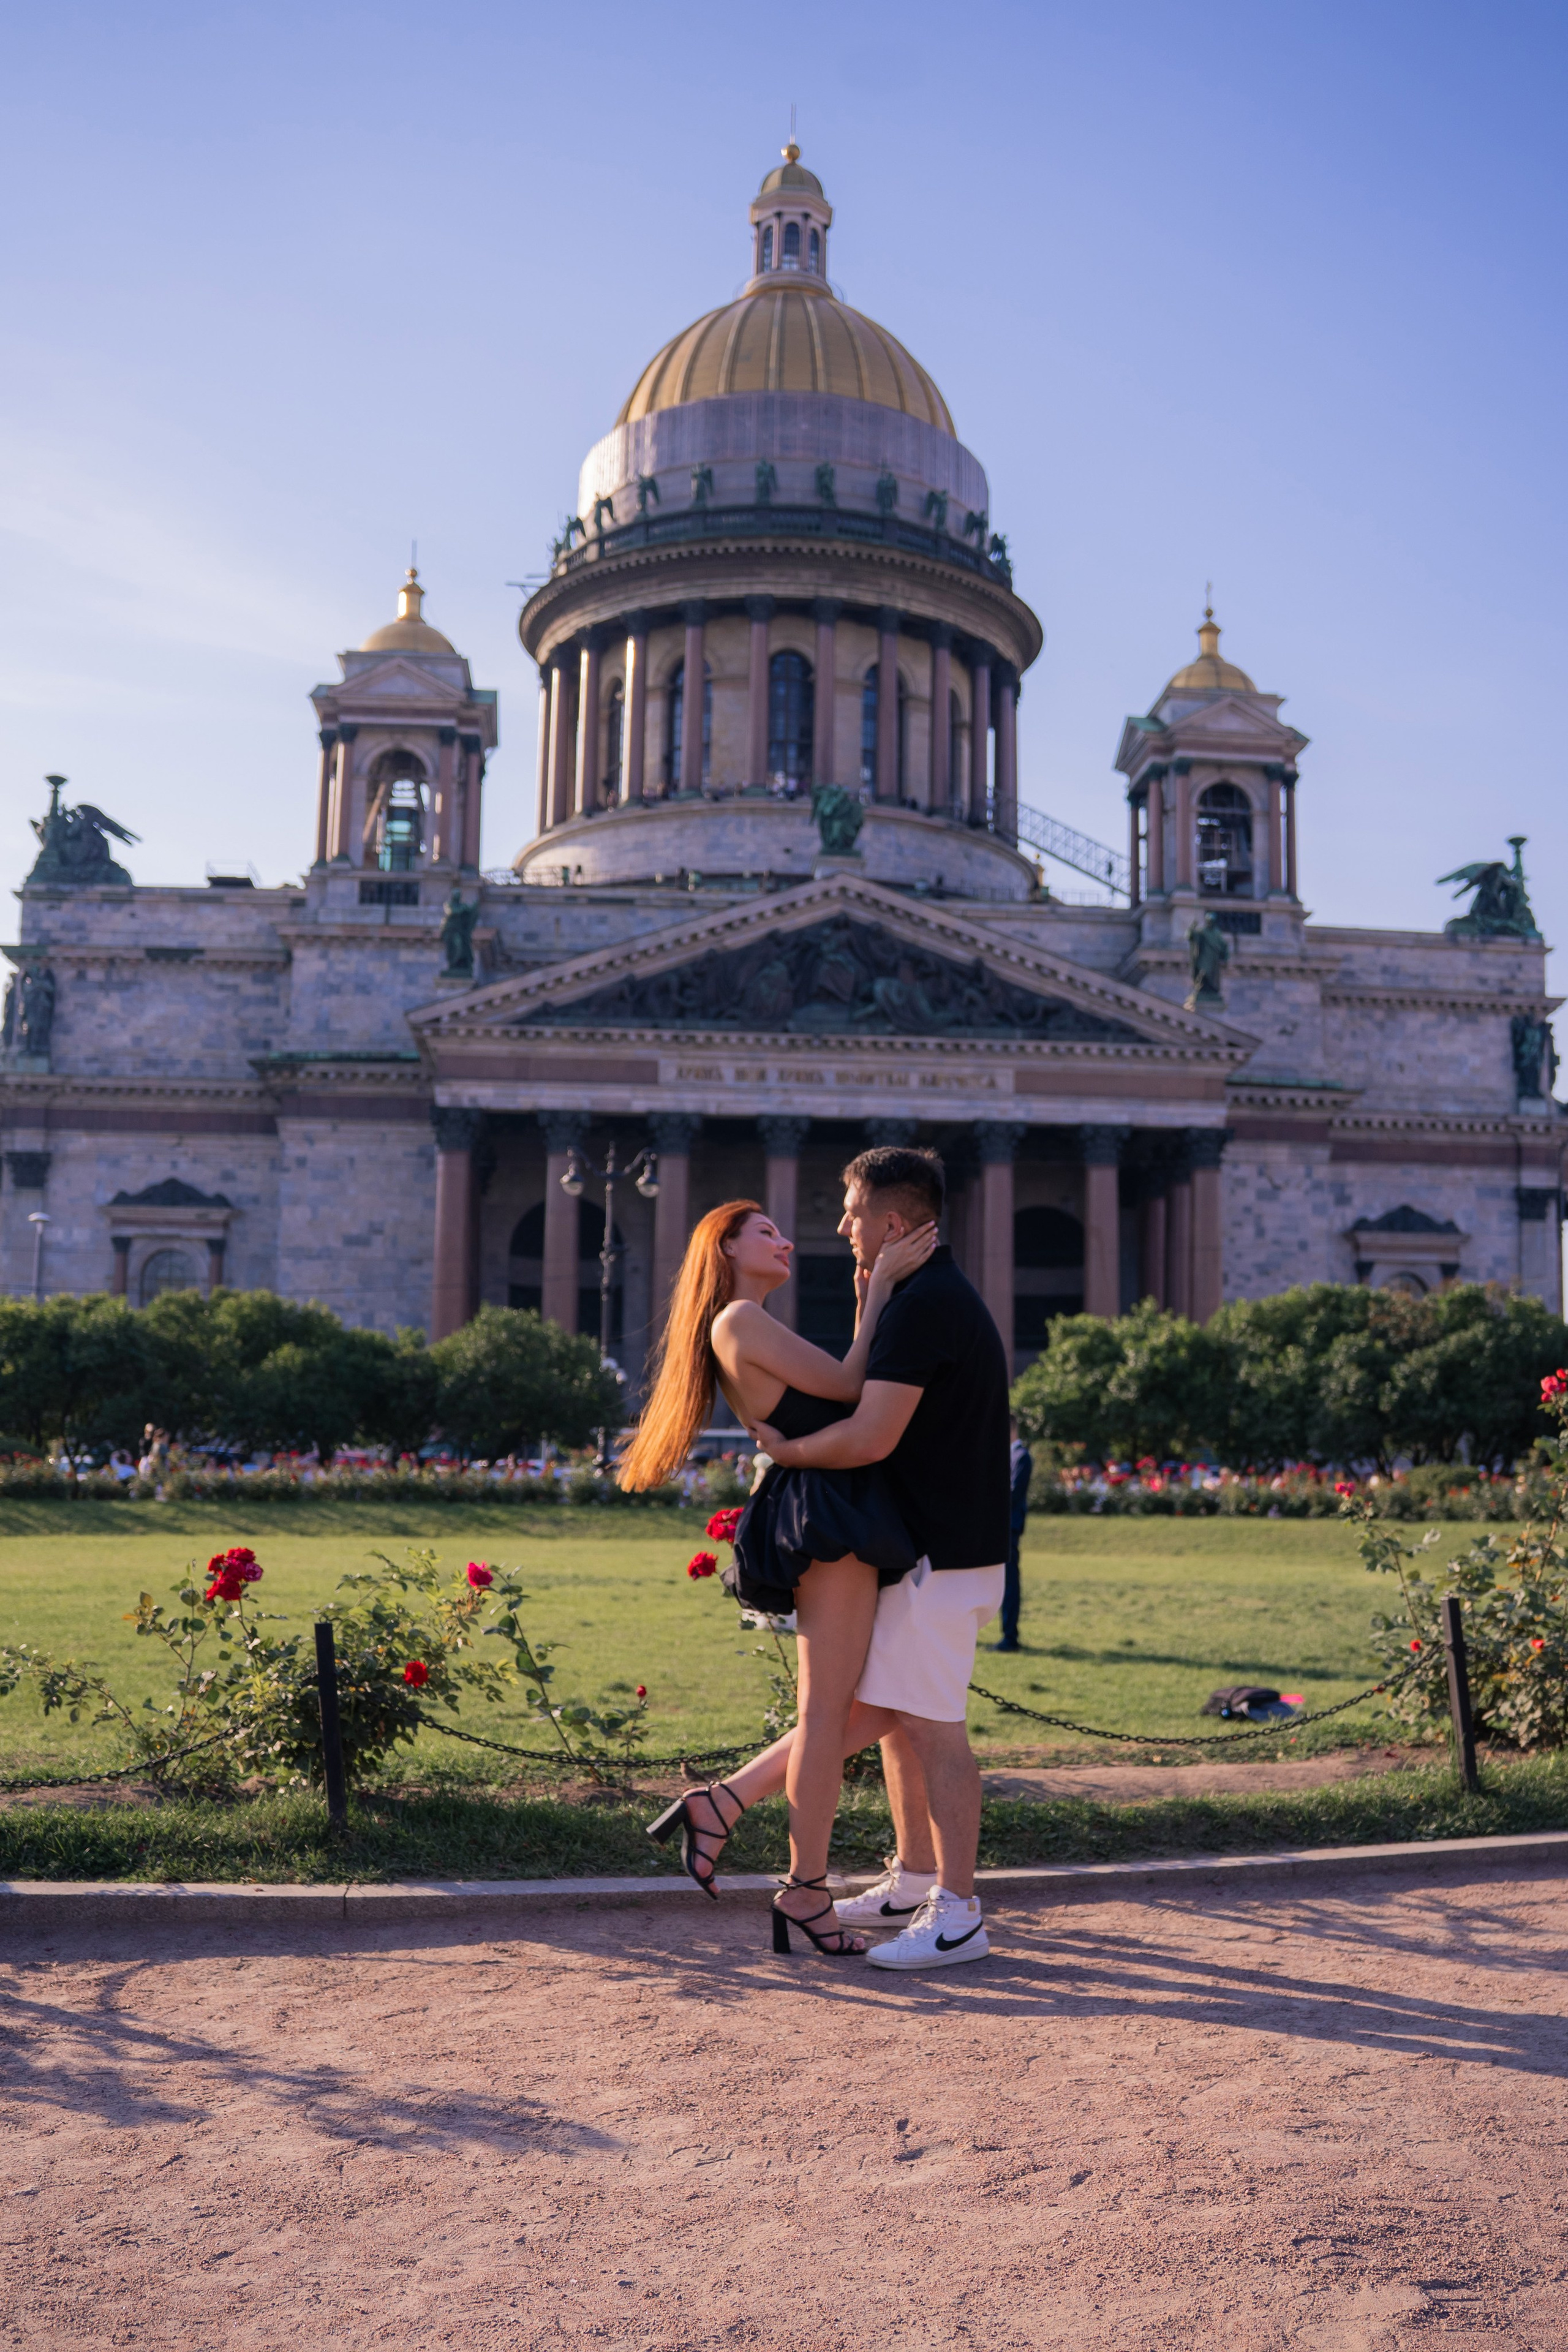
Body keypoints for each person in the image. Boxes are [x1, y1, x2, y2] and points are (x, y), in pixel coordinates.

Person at [668, 1147, 1012, 1972]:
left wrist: (789, 1450)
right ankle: (903, 1878)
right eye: (769, 1230)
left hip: (936, 1550)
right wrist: (871, 1300)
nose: (834, 1229)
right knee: (885, 1712)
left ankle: (953, 1911)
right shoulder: (900, 1300)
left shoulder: (922, 1303)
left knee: (920, 1723)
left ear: (891, 1224)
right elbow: (853, 1396)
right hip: (897, 1537)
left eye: (852, 1213)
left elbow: (867, 1432)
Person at [618, 1198, 937, 1958]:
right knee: (832, 1714)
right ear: (725, 1247)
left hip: (828, 1505)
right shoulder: (738, 1320)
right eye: (765, 1232)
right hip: (827, 1514)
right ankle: (801, 1887)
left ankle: (726, 1805)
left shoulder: (746, 1322)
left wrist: (866, 1297)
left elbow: (838, 1389)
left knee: (890, 1697)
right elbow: (853, 1383)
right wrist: (879, 1286)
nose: (786, 1241)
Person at [992, 1418, 1033, 1651]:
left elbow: (1014, 1493)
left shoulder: (1021, 1457)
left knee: (1009, 1583)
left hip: (1009, 1529)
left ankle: (1010, 1636)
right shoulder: (1006, 1456)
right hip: (998, 1529)